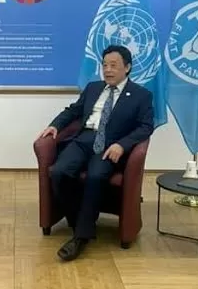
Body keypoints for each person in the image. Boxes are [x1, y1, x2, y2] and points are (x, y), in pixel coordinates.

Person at [37, 45, 154, 261]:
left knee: (95, 177)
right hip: (83, 140)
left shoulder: (141, 95)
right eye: (105, 65)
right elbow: (73, 110)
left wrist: (122, 145)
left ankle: (81, 237)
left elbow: (145, 127)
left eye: (113, 65)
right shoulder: (93, 88)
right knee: (59, 172)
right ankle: (80, 217)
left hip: (110, 146)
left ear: (127, 67)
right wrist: (55, 125)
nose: (108, 70)